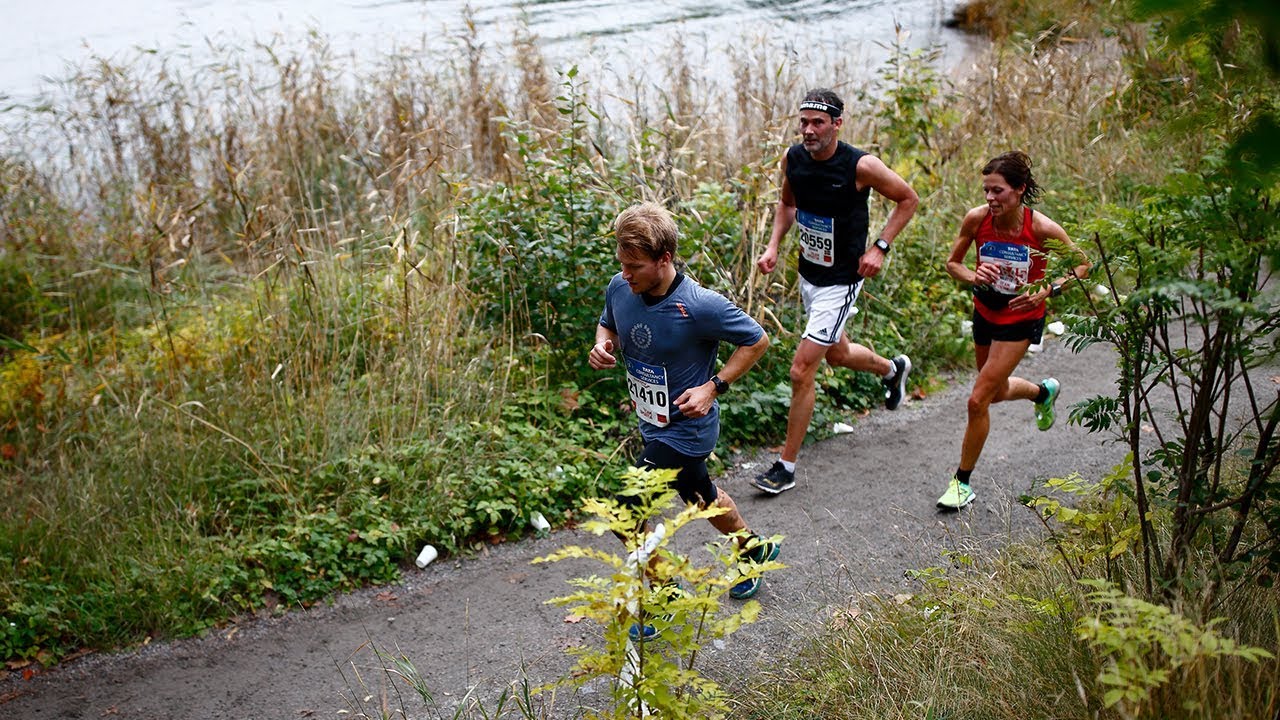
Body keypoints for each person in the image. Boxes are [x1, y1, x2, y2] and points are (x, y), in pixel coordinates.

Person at [588, 202, 779, 638]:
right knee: (701, 499)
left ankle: (663, 593)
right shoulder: (621, 287)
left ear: (664, 259)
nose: (626, 273)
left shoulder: (700, 305)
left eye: (635, 266)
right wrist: (603, 345)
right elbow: (608, 325)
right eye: (621, 263)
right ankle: (752, 550)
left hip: (686, 430)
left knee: (623, 509)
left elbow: (757, 340)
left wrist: (714, 387)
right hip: (652, 425)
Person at [752, 88, 919, 495]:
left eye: (818, 123)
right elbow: (787, 205)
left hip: (842, 282)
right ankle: (892, 369)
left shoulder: (861, 165)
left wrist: (879, 247)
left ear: (837, 124)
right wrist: (774, 244)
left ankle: (785, 467)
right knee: (839, 354)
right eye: (804, 122)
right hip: (808, 274)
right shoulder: (792, 158)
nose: (809, 130)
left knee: (801, 369)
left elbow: (908, 199)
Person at [936, 150, 1092, 509]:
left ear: (1020, 190)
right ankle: (1042, 393)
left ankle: (962, 483)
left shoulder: (1041, 228)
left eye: (998, 191)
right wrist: (973, 275)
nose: (990, 199)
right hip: (985, 313)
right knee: (994, 392)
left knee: (977, 399)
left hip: (1021, 320)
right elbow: (952, 263)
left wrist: (1049, 288)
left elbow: (1082, 265)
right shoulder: (976, 220)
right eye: (986, 191)